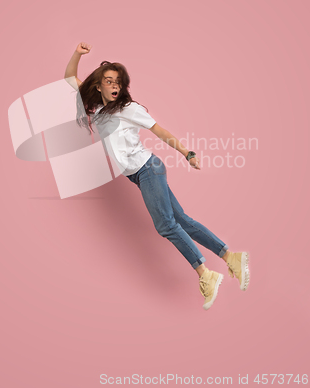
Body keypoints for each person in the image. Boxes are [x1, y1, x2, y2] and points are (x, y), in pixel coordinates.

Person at [64, 42, 250, 310]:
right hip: (138, 176)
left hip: (148, 169)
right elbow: (70, 78)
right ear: (98, 86)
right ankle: (230, 256)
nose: (115, 85)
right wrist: (78, 55)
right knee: (182, 220)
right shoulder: (99, 111)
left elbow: (160, 132)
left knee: (165, 225)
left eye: (118, 81)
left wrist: (187, 153)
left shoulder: (130, 109)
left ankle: (205, 274)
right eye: (109, 81)